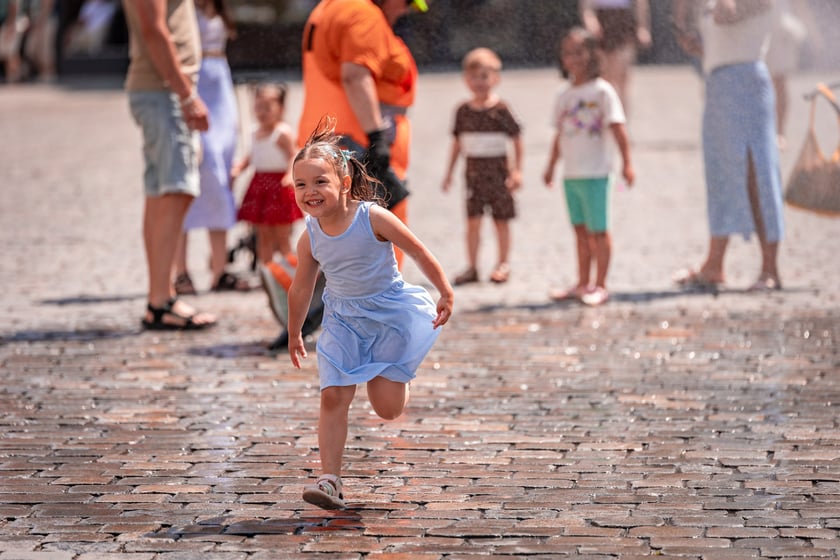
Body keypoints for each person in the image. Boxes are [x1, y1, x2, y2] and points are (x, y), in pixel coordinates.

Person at [287, 120, 454, 511]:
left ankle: (398, 371)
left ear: (344, 182)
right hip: (343, 322)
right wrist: (295, 332)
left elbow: (418, 251)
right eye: (301, 185)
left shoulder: (372, 218)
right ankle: (330, 480)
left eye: (320, 182)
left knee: (388, 408)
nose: (310, 192)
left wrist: (444, 290)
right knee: (333, 397)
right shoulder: (309, 236)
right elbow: (301, 288)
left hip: (388, 317)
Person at [296, 0, 428, 270]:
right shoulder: (363, 13)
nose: (406, 10)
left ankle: (297, 285)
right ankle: (380, 298)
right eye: (406, 2)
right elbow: (355, 75)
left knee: (338, 224)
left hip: (333, 131)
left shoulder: (330, 6)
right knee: (371, 223)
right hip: (355, 135)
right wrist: (376, 136)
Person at [673, 0, 784, 292]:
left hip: (746, 82)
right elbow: (717, 42)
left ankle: (770, 268)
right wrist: (694, 41)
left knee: (756, 173)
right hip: (718, 82)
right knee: (720, 172)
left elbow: (726, 15)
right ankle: (714, 264)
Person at [123, 0, 216, 330]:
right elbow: (153, 28)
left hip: (164, 89)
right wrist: (186, 95)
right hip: (164, 91)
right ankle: (160, 301)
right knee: (175, 191)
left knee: (163, 194)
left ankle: (159, 298)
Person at [542, 26, 634, 307]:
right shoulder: (563, 95)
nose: (574, 58)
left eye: (579, 51)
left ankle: (601, 284)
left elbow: (618, 129)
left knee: (599, 231)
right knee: (580, 231)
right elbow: (560, 134)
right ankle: (582, 282)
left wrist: (628, 163)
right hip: (571, 175)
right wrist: (550, 166)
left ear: (593, 54)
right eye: (568, 53)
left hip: (596, 173)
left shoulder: (603, 91)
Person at [172, 0, 250, 295]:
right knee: (189, 180)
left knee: (221, 180)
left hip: (220, 85)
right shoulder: (181, 7)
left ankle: (219, 268)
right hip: (194, 83)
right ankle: (180, 270)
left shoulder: (217, 8)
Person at [441, 47, 523, 285]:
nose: (480, 82)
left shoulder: (502, 110)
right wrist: (449, 173)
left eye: (485, 76)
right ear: (466, 79)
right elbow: (457, 143)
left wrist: (517, 171)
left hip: (499, 174)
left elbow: (517, 139)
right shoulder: (462, 112)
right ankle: (473, 266)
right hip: (473, 175)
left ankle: (503, 263)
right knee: (473, 221)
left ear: (495, 78)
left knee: (501, 220)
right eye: (474, 77)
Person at [233, 82, 303, 267]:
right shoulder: (255, 132)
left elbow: (294, 154)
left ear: (280, 109)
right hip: (260, 184)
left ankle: (291, 274)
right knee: (263, 234)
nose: (262, 112)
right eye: (258, 107)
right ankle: (268, 271)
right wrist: (239, 167)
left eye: (268, 107)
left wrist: (290, 174)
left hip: (278, 186)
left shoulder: (282, 133)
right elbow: (252, 155)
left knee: (282, 235)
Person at [579, 0, 651, 115]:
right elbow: (586, 5)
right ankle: (604, 122)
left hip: (624, 20)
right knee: (603, 78)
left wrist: (642, 27)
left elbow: (641, 2)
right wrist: (590, 20)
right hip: (601, 19)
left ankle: (621, 124)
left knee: (622, 77)